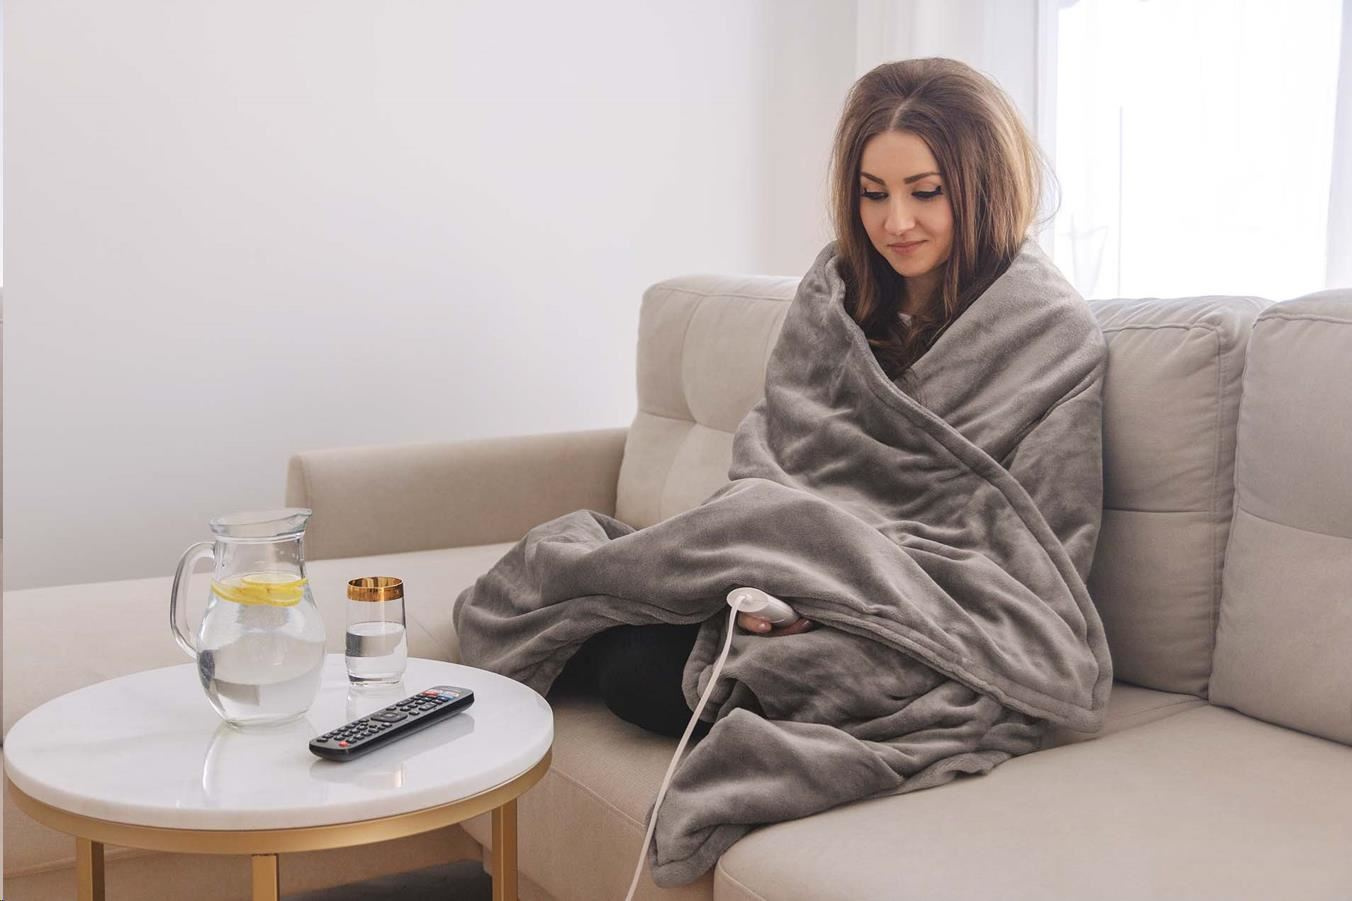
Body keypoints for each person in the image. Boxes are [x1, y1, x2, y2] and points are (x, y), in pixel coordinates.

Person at [549, 56, 1053, 738]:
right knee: (582, 601)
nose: (896, 222)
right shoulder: (836, 295)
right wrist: (775, 570)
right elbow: (777, 447)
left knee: (636, 671)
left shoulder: (1045, 331)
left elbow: (1028, 546)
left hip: (918, 610)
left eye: (925, 192)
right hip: (784, 570)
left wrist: (839, 585)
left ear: (983, 186)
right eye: (873, 194)